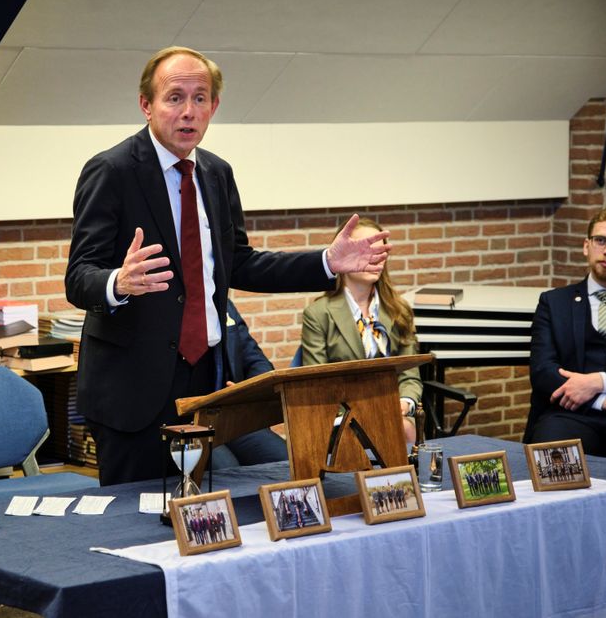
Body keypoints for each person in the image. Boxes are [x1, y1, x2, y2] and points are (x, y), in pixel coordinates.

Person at [65, 46, 390, 485]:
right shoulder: (112, 170)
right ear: (146, 105)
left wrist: (326, 262)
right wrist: (118, 283)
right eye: (174, 97)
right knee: (134, 524)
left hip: (204, 378)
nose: (188, 111)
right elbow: (79, 275)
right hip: (133, 387)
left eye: (200, 99)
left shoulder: (216, 174)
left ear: (213, 107)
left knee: (200, 517)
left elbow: (243, 265)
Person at [525, 205, 606, 467]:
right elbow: (542, 371)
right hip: (569, 415)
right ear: (586, 246)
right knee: (552, 466)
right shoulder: (554, 302)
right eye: (601, 240)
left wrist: (601, 381)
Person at [300, 217, 421, 444]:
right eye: (366, 251)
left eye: (380, 252)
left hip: (394, 413)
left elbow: (410, 375)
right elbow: (317, 385)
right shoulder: (318, 314)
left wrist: (404, 403)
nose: (375, 259)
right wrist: (359, 415)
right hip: (342, 420)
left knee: (404, 428)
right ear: (343, 255)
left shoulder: (400, 310)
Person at [209, 300, 288, 468]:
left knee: (286, 460)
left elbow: (258, 362)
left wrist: (245, 392)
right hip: (192, 422)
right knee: (227, 468)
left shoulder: (223, 303)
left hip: (232, 416)